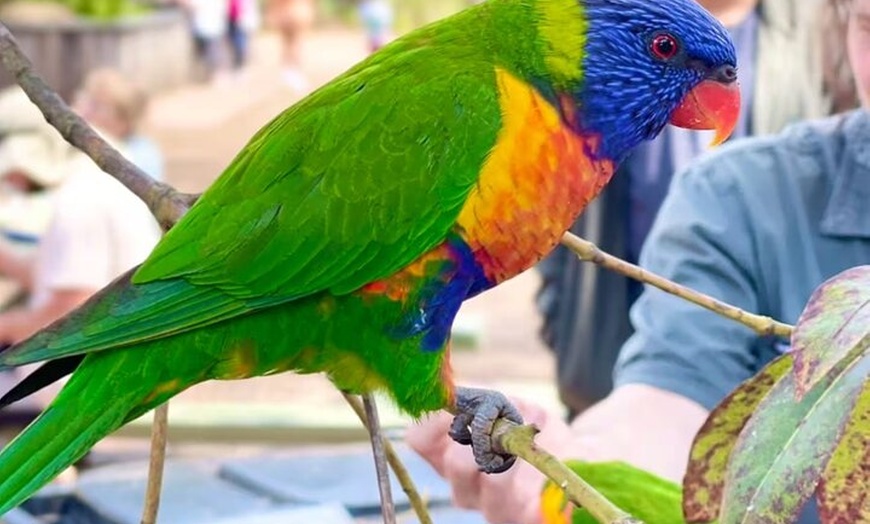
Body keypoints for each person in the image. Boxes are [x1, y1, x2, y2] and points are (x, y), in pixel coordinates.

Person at [408, 0, 865, 522]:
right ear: (844, 22)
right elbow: (668, 393)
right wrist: (570, 467)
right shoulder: (735, 196)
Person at [536, 0, 856, 419]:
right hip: (617, 352)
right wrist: (563, 325)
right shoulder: (606, 28)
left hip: (742, 354)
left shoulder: (805, 34)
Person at [0, 94, 162, 422]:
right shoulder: (97, 180)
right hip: (113, 364)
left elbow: (71, 311)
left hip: (80, 379)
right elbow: (63, 281)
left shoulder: (78, 204)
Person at [72, 68, 165, 182]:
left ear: (124, 121)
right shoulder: (72, 141)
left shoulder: (140, 155)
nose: (85, 111)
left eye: (98, 106)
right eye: (85, 99)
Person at [266, 0, 316, 91]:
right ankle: (291, 71)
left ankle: (290, 70)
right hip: (293, 13)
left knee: (290, 43)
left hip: (292, 13)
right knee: (293, 43)